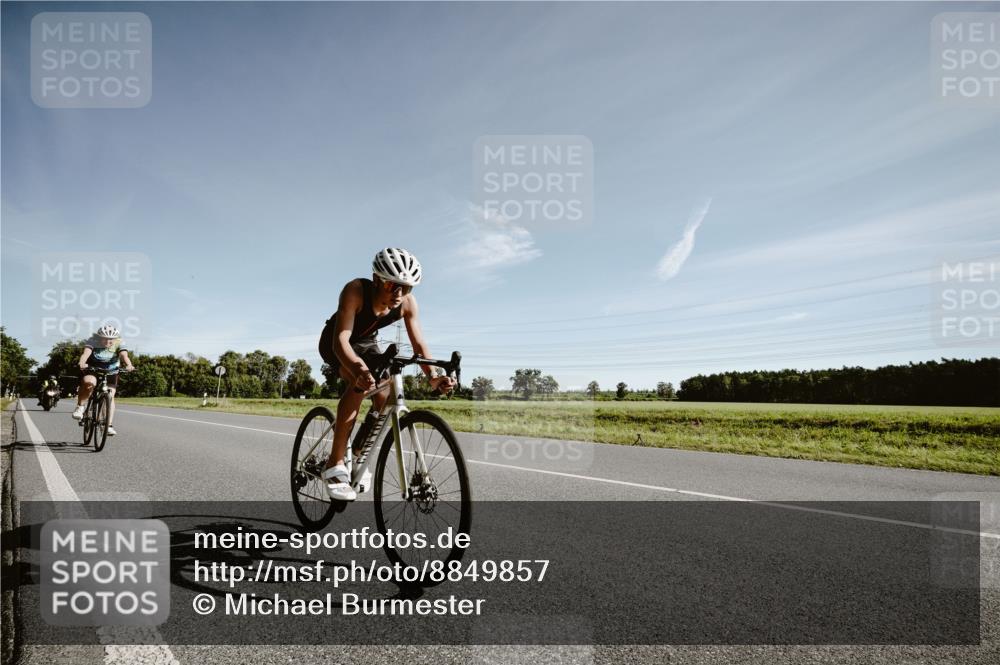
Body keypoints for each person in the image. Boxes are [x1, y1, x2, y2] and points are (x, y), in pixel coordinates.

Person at [318, 248, 455, 501]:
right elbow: (341, 340)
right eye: (393, 285)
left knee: (385, 397)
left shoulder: (407, 304)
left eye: (407, 287)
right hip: (338, 342)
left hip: (367, 343)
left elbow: (419, 345)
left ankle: (358, 452)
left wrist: (433, 377)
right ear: (376, 278)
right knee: (359, 384)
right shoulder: (355, 290)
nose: (399, 294)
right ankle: (334, 464)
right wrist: (358, 369)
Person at [71, 325, 134, 436]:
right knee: (89, 383)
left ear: (115, 339)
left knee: (110, 396)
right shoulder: (92, 340)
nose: (108, 341)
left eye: (111, 339)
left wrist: (129, 365)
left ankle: (107, 425)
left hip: (111, 371)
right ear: (99, 337)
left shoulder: (119, 342)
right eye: (105, 338)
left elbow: (124, 355)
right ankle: (80, 407)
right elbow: (86, 353)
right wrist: (82, 363)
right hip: (93, 368)